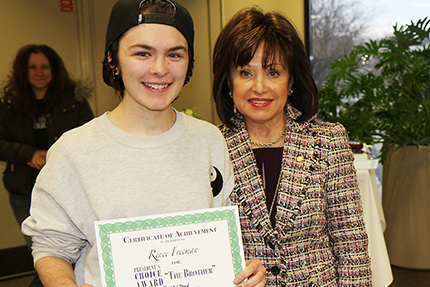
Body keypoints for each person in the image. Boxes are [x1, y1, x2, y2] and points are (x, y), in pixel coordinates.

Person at [22, 1, 265, 286]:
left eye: (175, 54)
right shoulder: (73, 151)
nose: (160, 69)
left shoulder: (209, 140)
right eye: (142, 53)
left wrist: (244, 272)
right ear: (113, 60)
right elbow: (51, 248)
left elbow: (220, 239)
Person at [212, 6, 372, 286]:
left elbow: (351, 249)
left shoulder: (328, 141)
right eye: (245, 73)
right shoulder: (210, 147)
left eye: (273, 73)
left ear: (292, 80)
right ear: (229, 81)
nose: (259, 87)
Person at [0, 44, 94, 286]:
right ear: (23, 71)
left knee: (73, 253)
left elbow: (91, 137)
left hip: (71, 191)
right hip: (24, 190)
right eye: (32, 67)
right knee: (43, 253)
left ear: (55, 69)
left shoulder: (74, 100)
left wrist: (55, 156)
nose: (39, 72)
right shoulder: (7, 104)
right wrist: (28, 153)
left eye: (44, 66)